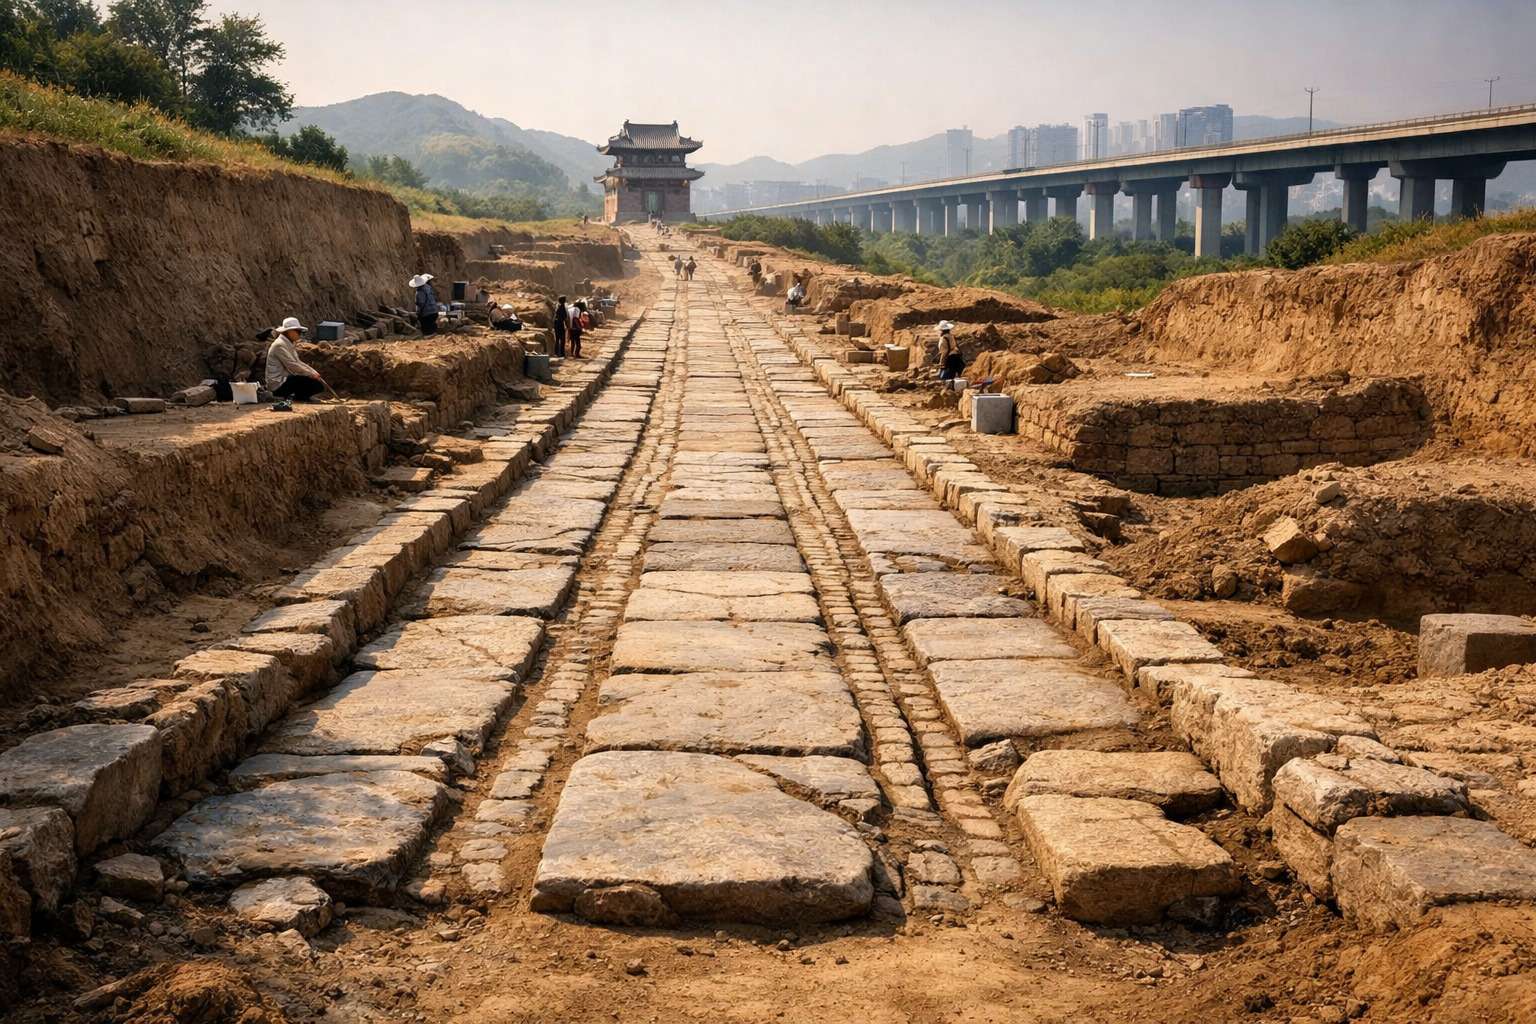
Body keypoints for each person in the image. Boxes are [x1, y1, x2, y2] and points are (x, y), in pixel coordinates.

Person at [264, 317, 329, 402]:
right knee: (313, 384)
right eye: (298, 331)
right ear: (290, 331)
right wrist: (310, 374)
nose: (299, 334)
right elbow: (292, 365)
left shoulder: (287, 343)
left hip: (284, 380)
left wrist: (313, 372)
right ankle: (298, 397)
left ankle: (299, 397)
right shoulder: (279, 345)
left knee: (316, 384)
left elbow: (297, 362)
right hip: (278, 383)